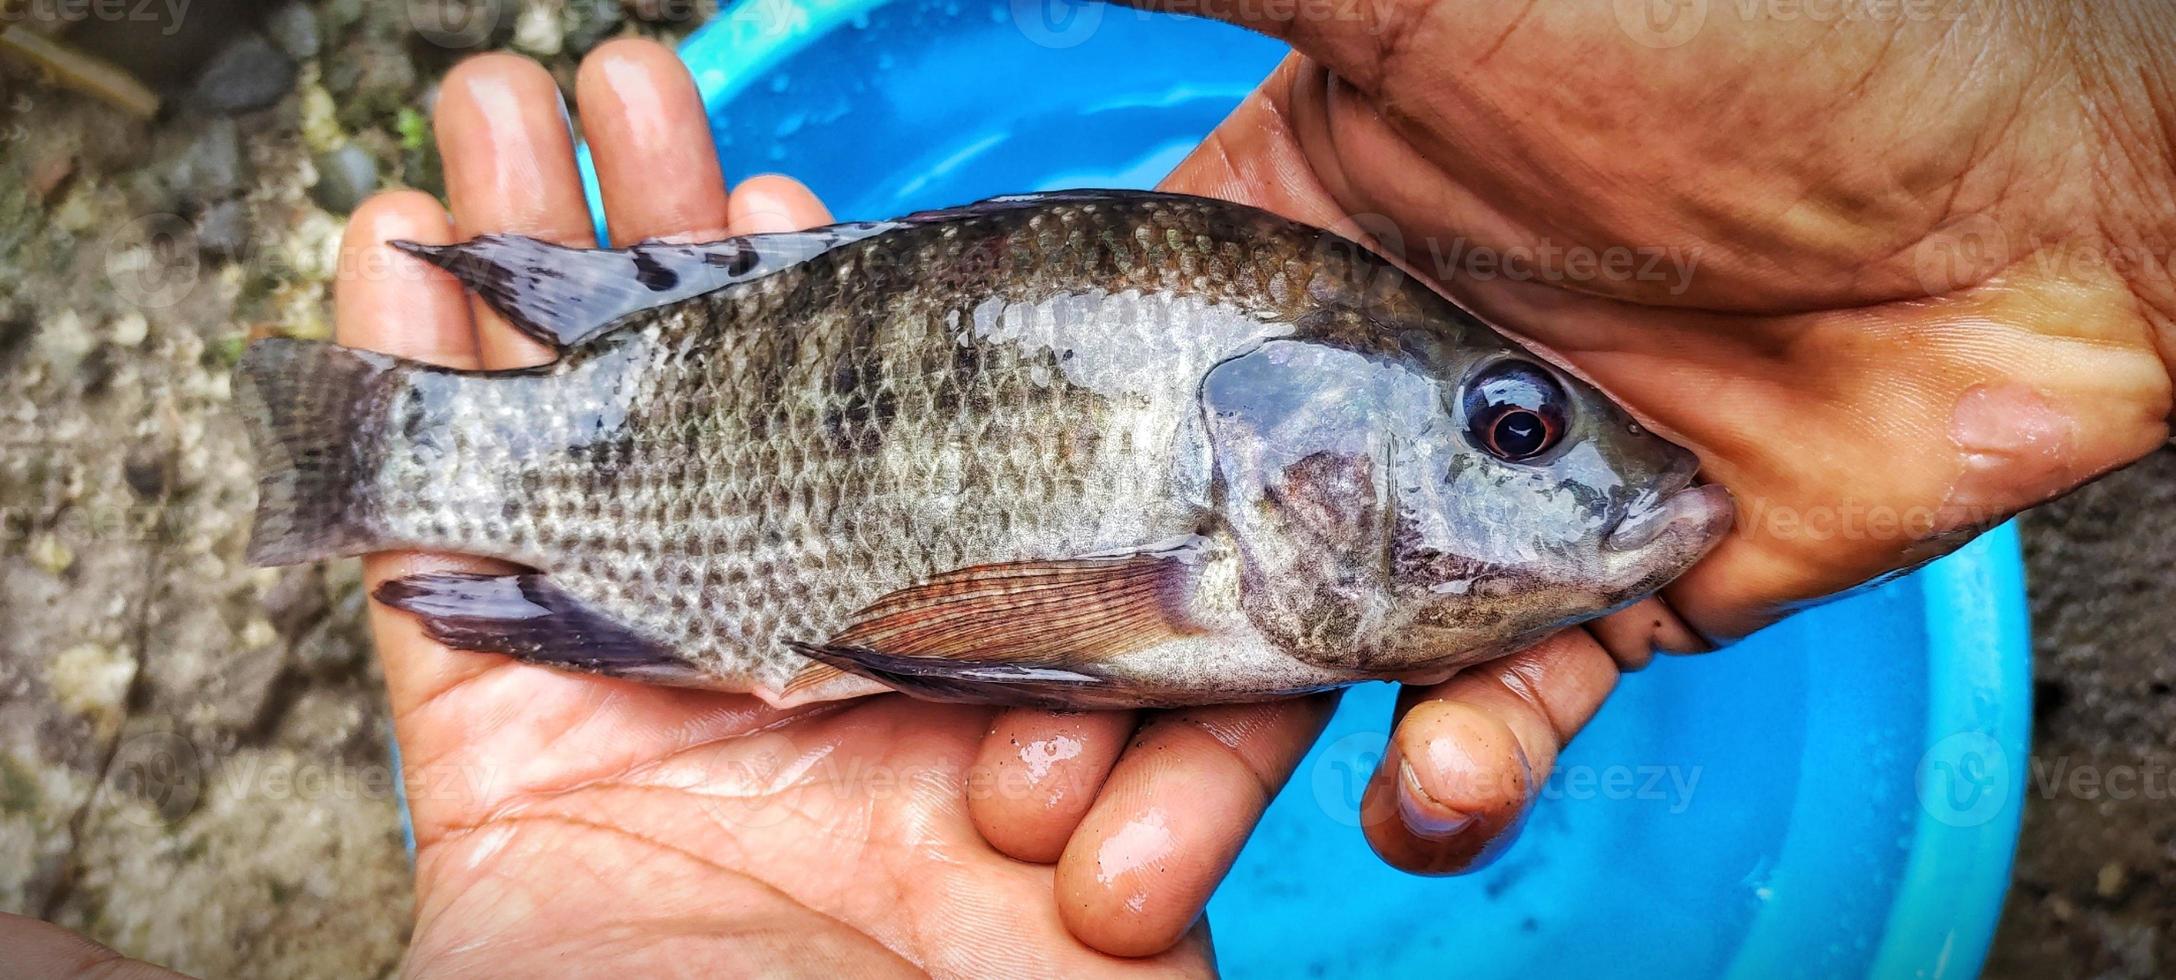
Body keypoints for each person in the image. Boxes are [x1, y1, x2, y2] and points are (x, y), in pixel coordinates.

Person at [17, 2, 2172, 973]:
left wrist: (2070, 162)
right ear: (1285, 467)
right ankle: (374, 453)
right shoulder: (1197, 552)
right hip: (645, 463)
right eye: (1508, 423)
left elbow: (973, 632)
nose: (1602, 471)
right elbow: (983, 623)